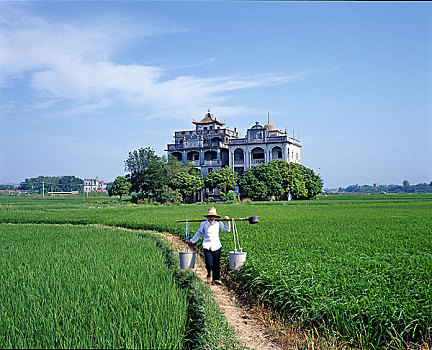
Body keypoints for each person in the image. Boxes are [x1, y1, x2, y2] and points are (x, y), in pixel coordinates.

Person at [186, 207, 230, 286]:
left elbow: (227, 229)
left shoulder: (218, 223)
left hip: (216, 245)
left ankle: (215, 279)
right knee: (209, 263)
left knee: (216, 264)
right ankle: (209, 275)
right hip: (207, 246)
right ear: (208, 216)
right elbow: (199, 233)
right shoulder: (203, 224)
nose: (212, 217)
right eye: (210, 216)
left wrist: (227, 221)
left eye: (213, 216)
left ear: (215, 216)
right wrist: (192, 241)